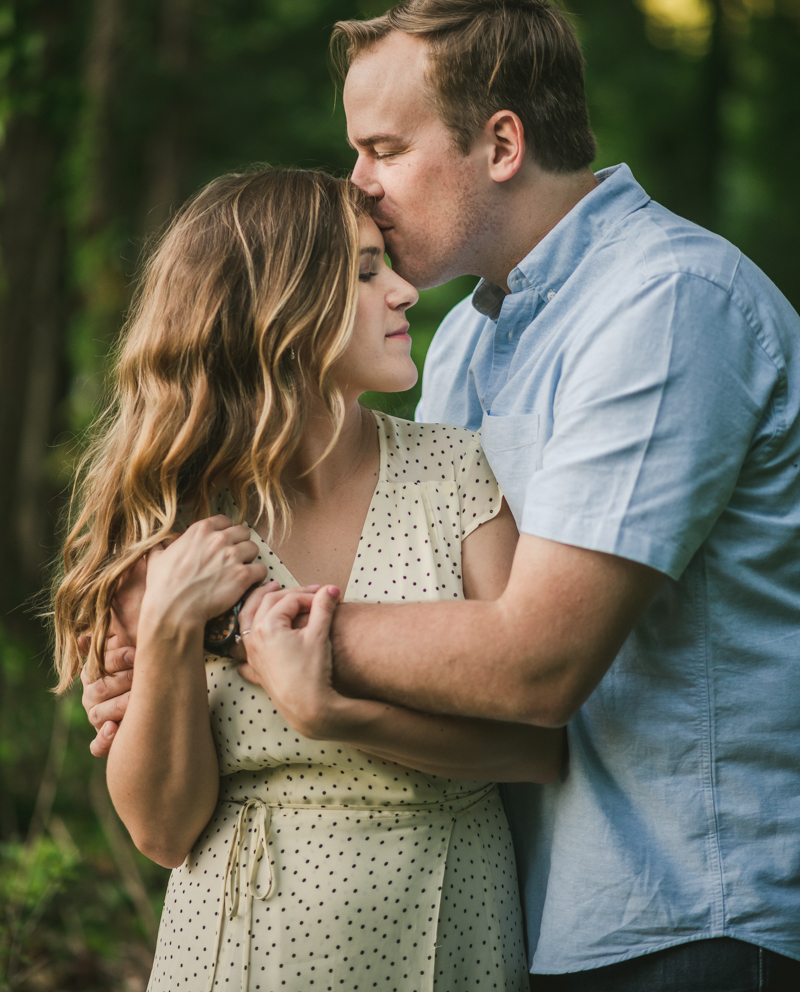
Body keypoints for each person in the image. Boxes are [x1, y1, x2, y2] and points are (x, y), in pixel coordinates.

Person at [82, 0, 800, 990]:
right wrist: (161, 664)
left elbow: (533, 661)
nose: (359, 183)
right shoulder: (463, 340)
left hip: (686, 906)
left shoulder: (667, 304)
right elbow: (426, 603)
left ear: (501, 146)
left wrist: (222, 624)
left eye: (383, 149)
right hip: (533, 906)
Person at [56, 166, 562, 992]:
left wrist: (335, 713)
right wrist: (172, 629)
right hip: (239, 953)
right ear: (273, 308)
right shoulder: (170, 530)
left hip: (449, 936)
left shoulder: (459, 476)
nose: (403, 291)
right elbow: (162, 829)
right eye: (364, 273)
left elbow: (538, 746)